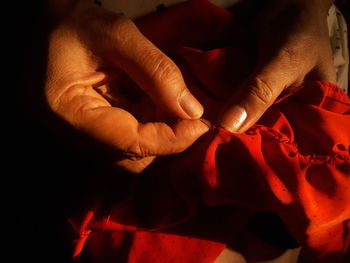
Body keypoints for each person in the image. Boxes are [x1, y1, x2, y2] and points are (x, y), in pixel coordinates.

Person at [12, 0, 347, 263]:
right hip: (60, 102)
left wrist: (307, 6)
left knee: (267, 246)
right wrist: (44, 14)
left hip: (294, 61)